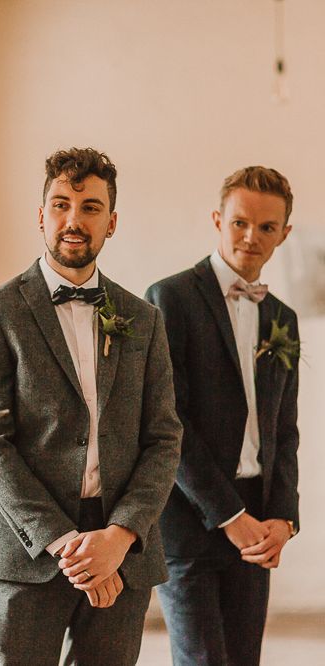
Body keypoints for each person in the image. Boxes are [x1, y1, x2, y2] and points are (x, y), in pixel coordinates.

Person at [0, 147, 182, 665]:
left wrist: (121, 535)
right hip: (26, 550)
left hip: (121, 549)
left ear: (112, 222)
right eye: (61, 204)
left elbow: (164, 438)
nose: (73, 220)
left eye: (90, 207)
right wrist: (67, 545)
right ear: (41, 215)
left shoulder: (143, 319)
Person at [145, 166, 300, 666]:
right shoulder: (171, 298)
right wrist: (228, 515)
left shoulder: (282, 317)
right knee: (203, 660)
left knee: (243, 658)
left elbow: (284, 429)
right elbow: (168, 421)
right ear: (217, 220)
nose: (251, 237)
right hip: (190, 516)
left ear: (284, 233)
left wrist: (283, 517)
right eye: (239, 222)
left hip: (258, 515)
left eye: (267, 227)